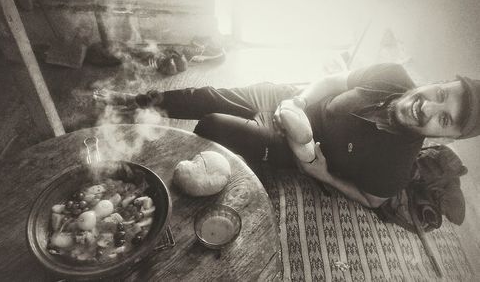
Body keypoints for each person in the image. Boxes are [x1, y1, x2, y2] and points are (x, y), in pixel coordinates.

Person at [94, 63, 480, 208]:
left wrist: (320, 172)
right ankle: (131, 102)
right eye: (441, 95)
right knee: (207, 94)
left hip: (296, 146)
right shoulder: (392, 75)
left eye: (443, 120)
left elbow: (374, 200)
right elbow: (333, 79)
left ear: (445, 137)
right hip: (287, 99)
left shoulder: (397, 164)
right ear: (439, 81)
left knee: (213, 122)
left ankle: (148, 183)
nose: (427, 108)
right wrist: (297, 98)